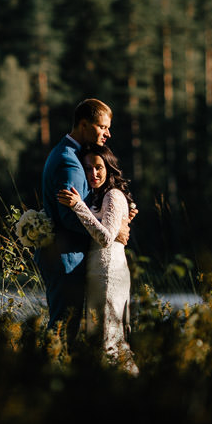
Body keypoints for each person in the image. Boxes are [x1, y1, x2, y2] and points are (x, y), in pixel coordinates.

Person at [37, 99, 129, 341]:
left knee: (69, 328)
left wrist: (118, 215)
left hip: (70, 257)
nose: (107, 133)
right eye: (102, 127)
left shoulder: (73, 154)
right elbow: (69, 218)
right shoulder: (69, 161)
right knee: (63, 329)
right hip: (66, 257)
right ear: (84, 124)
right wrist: (109, 233)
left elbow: (89, 204)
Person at [58, 143, 137, 373]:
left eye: (99, 167)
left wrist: (78, 207)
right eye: (88, 168)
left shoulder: (113, 195)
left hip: (109, 275)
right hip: (97, 276)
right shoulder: (98, 197)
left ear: (109, 168)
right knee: (102, 338)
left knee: (110, 341)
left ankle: (127, 387)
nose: (94, 173)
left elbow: (104, 237)